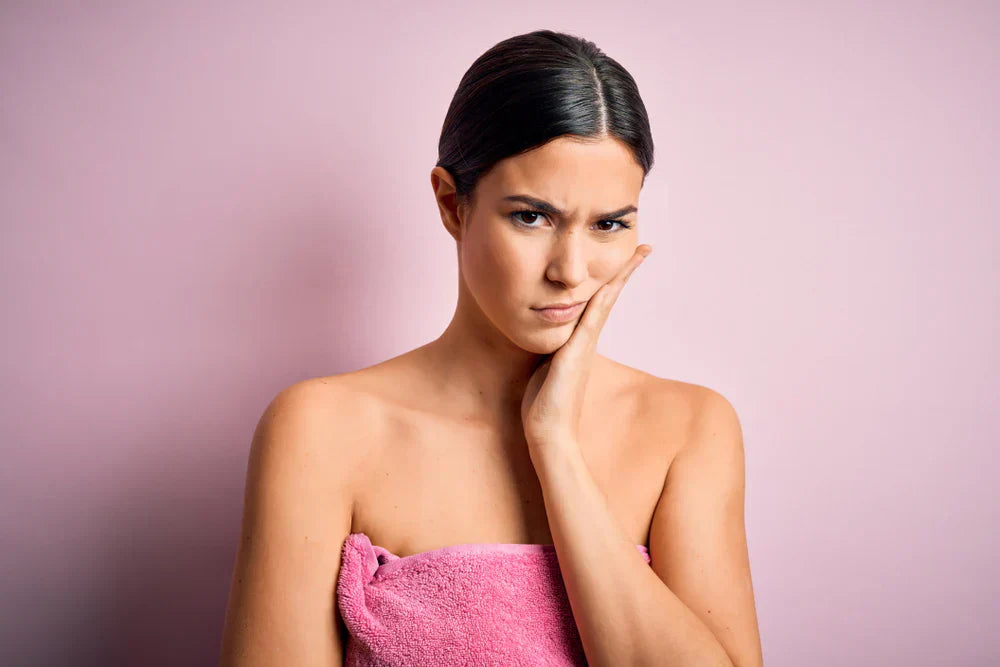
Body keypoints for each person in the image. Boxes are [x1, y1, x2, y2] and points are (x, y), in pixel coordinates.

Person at [219, 29, 763, 667]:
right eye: (532, 216)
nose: (570, 269)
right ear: (453, 205)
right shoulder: (321, 430)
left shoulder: (689, 429)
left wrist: (555, 446)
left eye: (609, 224)